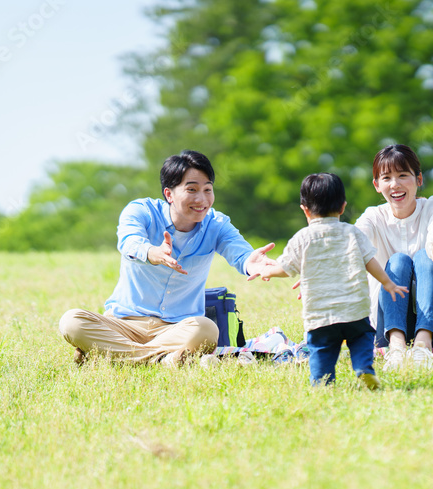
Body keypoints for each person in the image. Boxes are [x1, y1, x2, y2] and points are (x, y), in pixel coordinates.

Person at [58, 150, 278, 365]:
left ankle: (113, 356)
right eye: (191, 189)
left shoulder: (217, 224)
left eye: (208, 190)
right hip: (124, 324)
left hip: (176, 328)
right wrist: (152, 253)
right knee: (71, 321)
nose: (201, 199)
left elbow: (239, 251)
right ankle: (163, 359)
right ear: (169, 194)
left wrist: (253, 262)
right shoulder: (141, 211)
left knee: (207, 329)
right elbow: (128, 242)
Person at [255, 173, 407, 388]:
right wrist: (387, 282)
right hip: (354, 311)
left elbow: (286, 269)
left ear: (305, 210)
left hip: (321, 316)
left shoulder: (302, 238)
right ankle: (364, 370)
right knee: (361, 339)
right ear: (343, 207)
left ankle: (321, 381)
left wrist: (267, 271)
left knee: (321, 350)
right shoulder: (352, 233)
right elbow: (370, 262)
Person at [354, 143, 433, 371]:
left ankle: (423, 346)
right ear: (376, 185)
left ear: (419, 179)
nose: (395, 184)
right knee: (398, 261)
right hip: (389, 327)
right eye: (386, 178)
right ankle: (397, 349)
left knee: (426, 257)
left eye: (403, 175)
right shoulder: (373, 217)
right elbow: (353, 243)